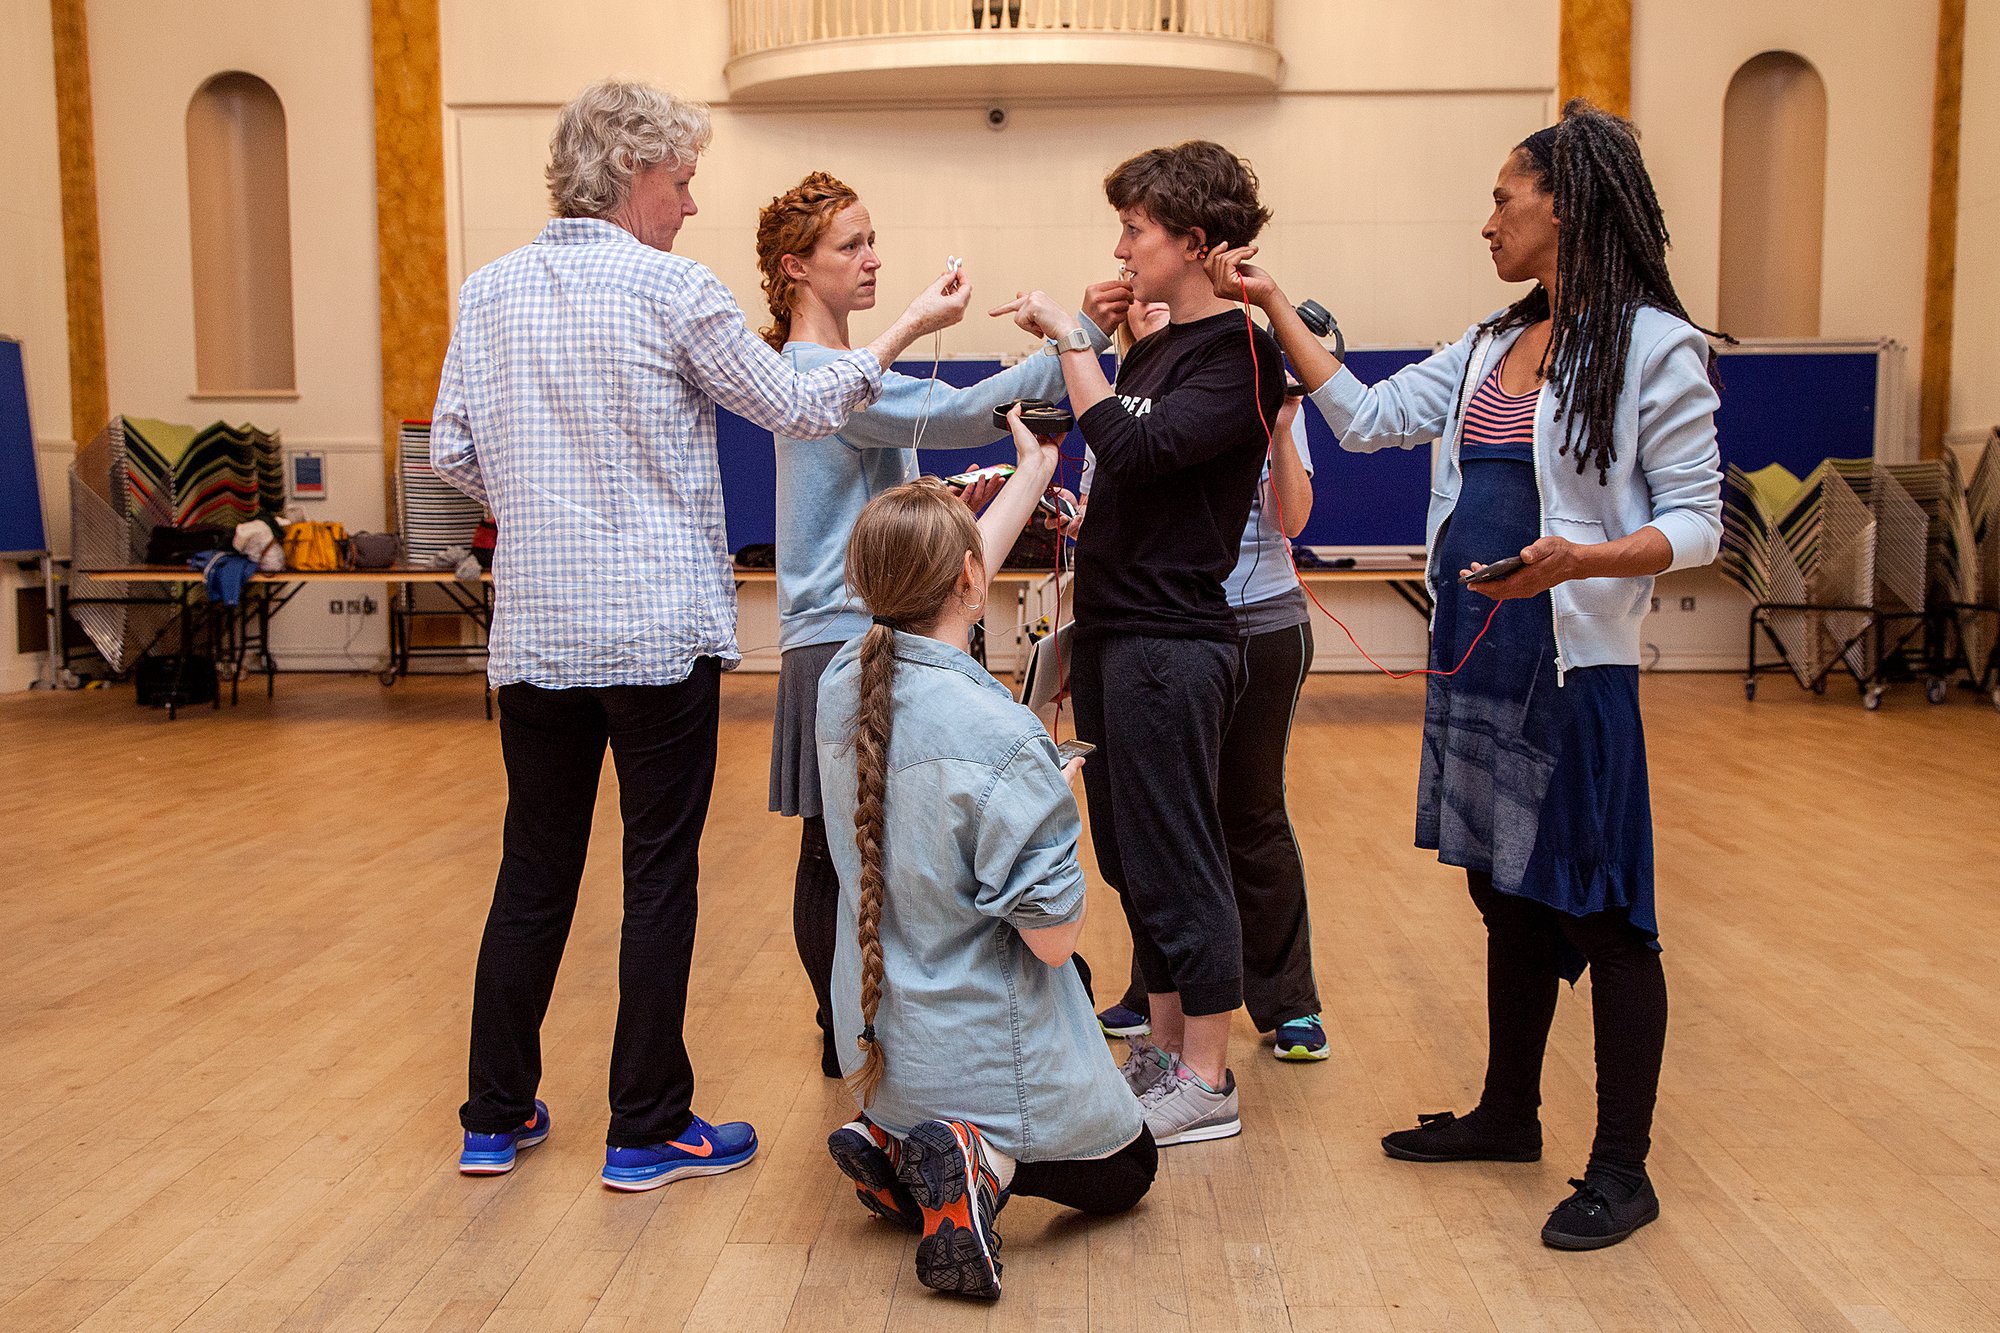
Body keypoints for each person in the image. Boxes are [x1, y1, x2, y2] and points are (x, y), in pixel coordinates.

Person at [1207, 100, 1724, 1249]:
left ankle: (1620, 1167)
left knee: (1601, 909)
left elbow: (1697, 523)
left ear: (1567, 204)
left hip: (1570, 666)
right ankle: (1505, 1112)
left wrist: (1582, 558)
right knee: (1506, 890)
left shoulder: (1651, 346)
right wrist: (1274, 305)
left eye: (1503, 196)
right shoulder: (1492, 342)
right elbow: (1369, 417)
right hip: (1480, 655)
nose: (1484, 218)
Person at [432, 79, 967, 1192]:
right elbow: (797, 404)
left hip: (535, 633)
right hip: (652, 633)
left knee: (533, 869)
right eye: (679, 182)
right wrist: (910, 325)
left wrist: (542, 508)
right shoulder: (672, 288)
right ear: (634, 176)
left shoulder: (486, 292)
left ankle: (493, 1116)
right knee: (655, 873)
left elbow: (451, 453)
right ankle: (644, 1127)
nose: (688, 204)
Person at [752, 170, 1130, 1078]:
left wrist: (1083, 340)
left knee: (858, 840)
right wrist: (1074, 346)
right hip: (837, 635)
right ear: (797, 270)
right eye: (852, 245)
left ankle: (861, 1022)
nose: (873, 258)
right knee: (831, 845)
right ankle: (843, 1025)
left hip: (868, 626)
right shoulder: (817, 374)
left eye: (873, 238)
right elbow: (958, 411)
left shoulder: (848, 374)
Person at [816, 412, 1154, 1302]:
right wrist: (1054, 800)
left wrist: (1034, 469)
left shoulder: (839, 685)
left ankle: (897, 1147)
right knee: (1130, 1167)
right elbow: (1050, 939)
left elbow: (932, 588)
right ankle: (982, 1159)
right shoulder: (1002, 736)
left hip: (886, 1045)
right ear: (973, 577)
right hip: (979, 1054)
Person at [993, 140, 1284, 1147]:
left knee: (1179, 851)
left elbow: (1132, 445)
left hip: (1174, 638)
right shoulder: (1157, 347)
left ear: (1193, 244)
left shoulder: (1242, 351)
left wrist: (1074, 341)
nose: (1117, 247)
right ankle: (1163, 1050)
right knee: (1130, 854)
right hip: (1119, 630)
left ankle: (1205, 1075)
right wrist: (1109, 350)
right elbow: (1124, 458)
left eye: (1134, 229)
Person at [1089, 301, 1327, 1061]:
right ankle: (1159, 1005)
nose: (1153, 308)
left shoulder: (1240, 373)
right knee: (1154, 828)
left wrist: (1283, 430)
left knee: (1246, 815)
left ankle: (1287, 1001)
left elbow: (1294, 515)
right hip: (1156, 621)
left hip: (1253, 620)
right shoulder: (1130, 397)